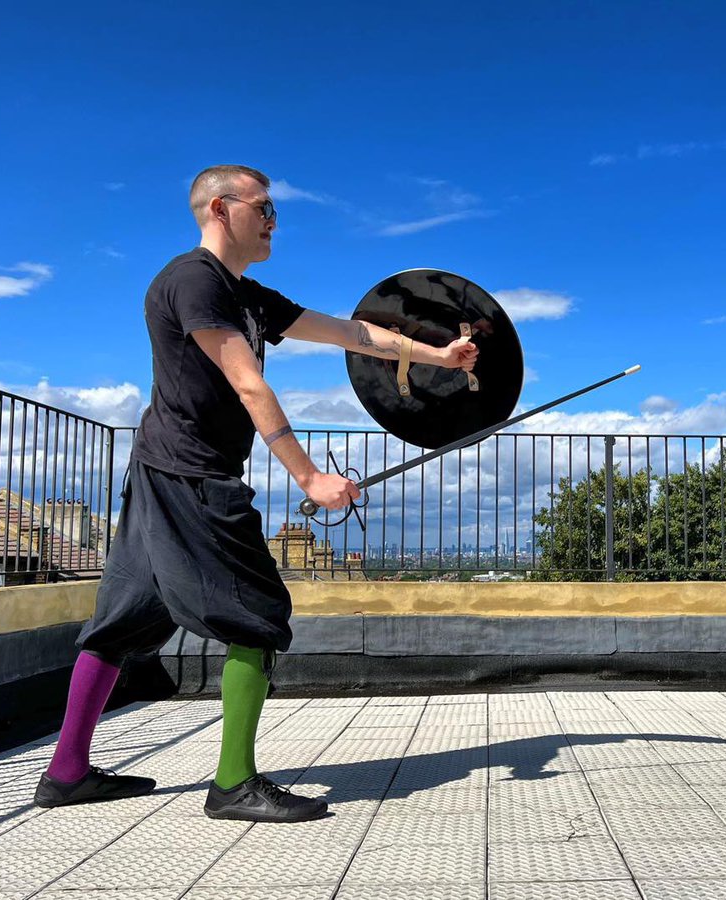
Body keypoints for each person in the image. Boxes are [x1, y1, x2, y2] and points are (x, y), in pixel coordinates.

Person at [33, 164, 478, 822]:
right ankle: (233, 784)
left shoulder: (246, 296)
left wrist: (437, 357)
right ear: (221, 208)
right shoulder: (192, 281)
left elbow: (352, 334)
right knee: (259, 615)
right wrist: (310, 476)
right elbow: (248, 383)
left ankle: (66, 772)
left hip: (162, 472)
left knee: (123, 623)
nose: (274, 221)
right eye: (264, 209)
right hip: (193, 477)